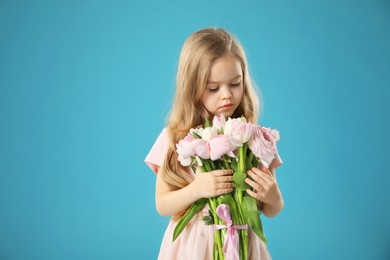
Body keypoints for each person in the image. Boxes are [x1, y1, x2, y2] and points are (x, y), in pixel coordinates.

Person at [145, 27, 284, 259]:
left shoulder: (255, 138)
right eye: (213, 88)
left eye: (235, 83)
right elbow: (162, 205)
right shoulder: (176, 138)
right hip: (192, 247)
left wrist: (273, 197)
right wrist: (196, 189)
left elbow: (271, 210)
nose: (226, 95)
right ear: (192, 87)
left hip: (242, 244)